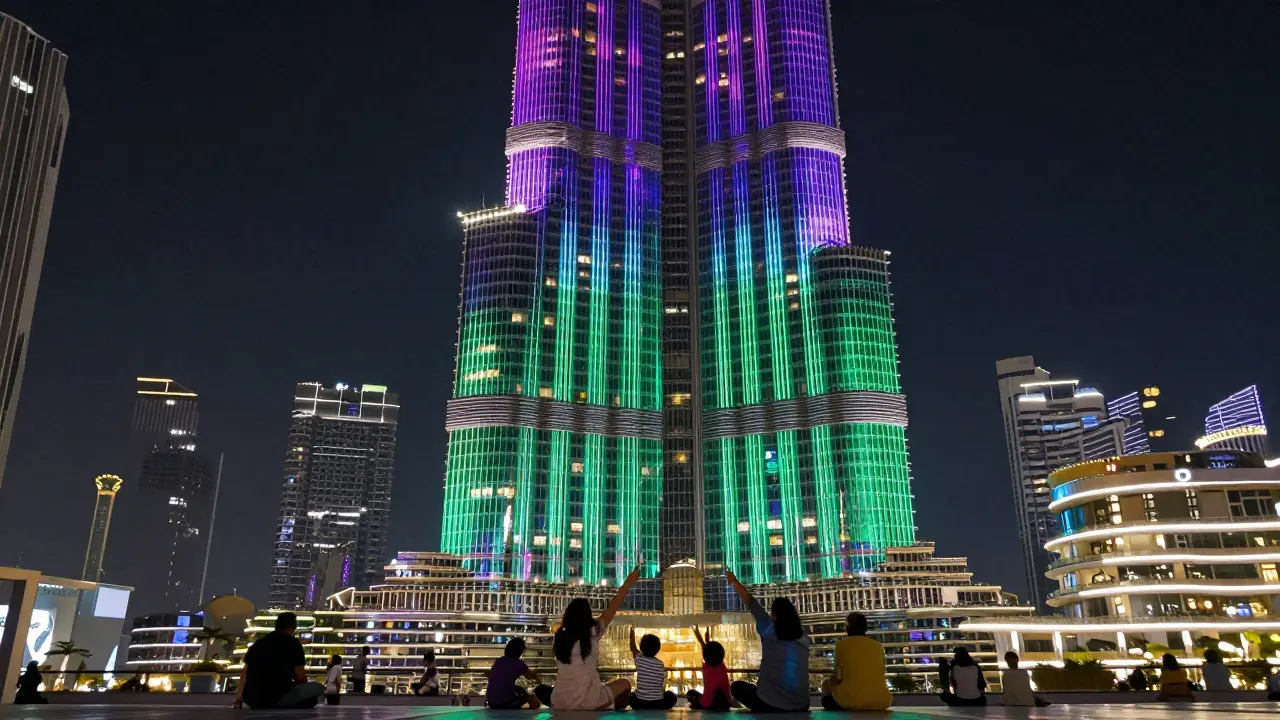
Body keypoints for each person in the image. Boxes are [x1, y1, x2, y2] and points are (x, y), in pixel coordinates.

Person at [549, 564, 642, 710]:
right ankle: (613, 709)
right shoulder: (593, 631)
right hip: (588, 700)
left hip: (560, 700)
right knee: (625, 683)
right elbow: (614, 604)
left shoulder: (560, 636)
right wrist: (629, 582)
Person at [725, 569, 811, 712]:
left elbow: (751, 603)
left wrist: (734, 582)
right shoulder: (803, 639)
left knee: (736, 687)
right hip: (801, 704)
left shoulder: (770, 630)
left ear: (775, 615)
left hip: (770, 704)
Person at [234, 612, 325, 709]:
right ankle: (283, 703)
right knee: (318, 688)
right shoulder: (293, 644)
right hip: (277, 696)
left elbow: (244, 672)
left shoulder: (259, 643)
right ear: (293, 627)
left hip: (253, 700)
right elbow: (300, 676)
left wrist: (239, 700)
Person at [820, 612, 892, 711]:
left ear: (848, 627)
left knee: (826, 687)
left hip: (852, 701)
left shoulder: (841, 645)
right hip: (881, 702)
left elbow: (838, 677)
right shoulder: (878, 646)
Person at [486, 638, 548, 709]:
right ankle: (530, 713)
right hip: (504, 703)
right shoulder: (519, 663)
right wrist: (536, 676)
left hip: (491, 702)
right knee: (530, 697)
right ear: (520, 652)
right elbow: (530, 676)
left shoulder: (499, 661)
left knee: (518, 688)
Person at [687, 627, 734, 711]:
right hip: (726, 703)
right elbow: (709, 652)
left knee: (690, 693)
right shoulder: (722, 667)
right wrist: (704, 642)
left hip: (709, 704)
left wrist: (701, 640)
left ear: (705, 657)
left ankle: (697, 705)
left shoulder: (707, 668)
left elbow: (707, 652)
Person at [628, 627, 676, 709]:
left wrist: (632, 632)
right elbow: (661, 684)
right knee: (671, 696)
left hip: (640, 703)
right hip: (657, 703)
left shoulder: (639, 659)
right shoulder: (660, 664)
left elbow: (632, 647)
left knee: (631, 696)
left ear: (641, 647)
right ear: (658, 649)